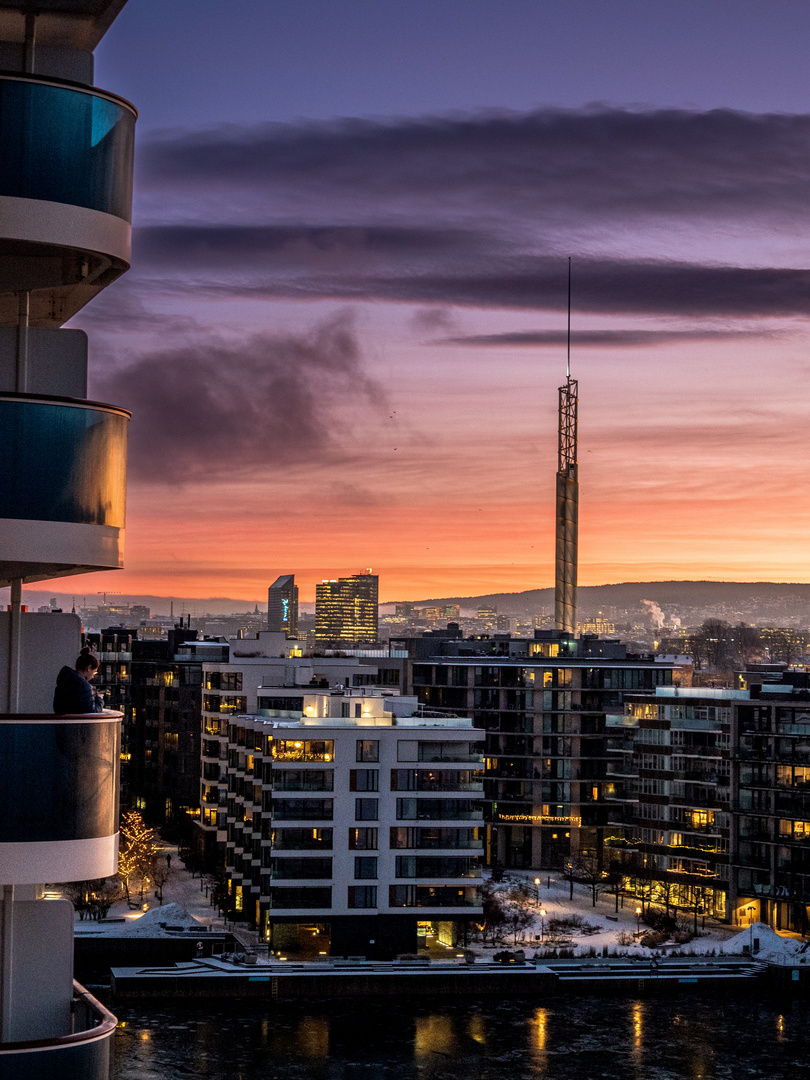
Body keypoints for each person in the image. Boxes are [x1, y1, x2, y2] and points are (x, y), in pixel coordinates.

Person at [53, 647, 104, 714]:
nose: (93, 676)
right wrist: (99, 700)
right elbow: (91, 712)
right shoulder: (84, 686)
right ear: (89, 668)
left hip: (63, 722)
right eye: (94, 672)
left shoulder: (65, 680)